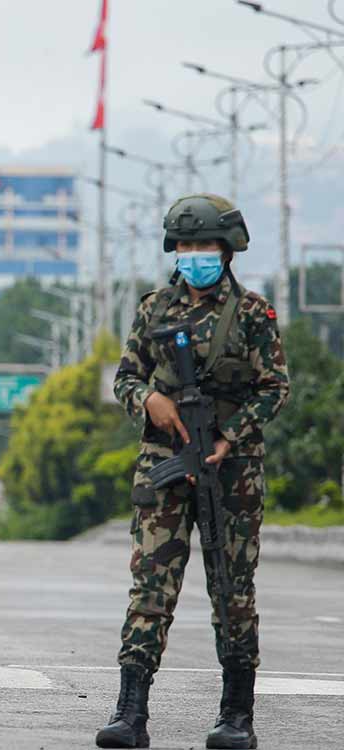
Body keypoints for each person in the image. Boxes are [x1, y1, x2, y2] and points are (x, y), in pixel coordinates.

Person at [96, 194, 289, 750]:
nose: (193, 254)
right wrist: (149, 402)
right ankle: (130, 712)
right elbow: (126, 377)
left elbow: (274, 388)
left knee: (232, 590)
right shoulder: (155, 308)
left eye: (203, 245)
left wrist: (231, 436)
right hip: (164, 465)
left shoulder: (253, 314)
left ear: (227, 250)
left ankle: (236, 715)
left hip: (232, 474)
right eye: (184, 245)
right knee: (150, 590)